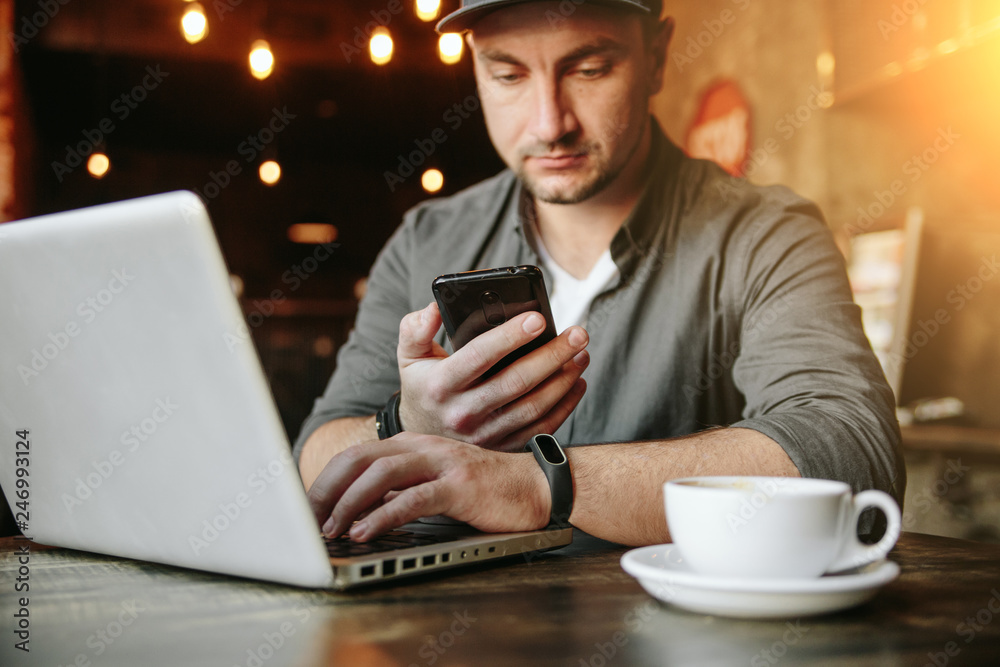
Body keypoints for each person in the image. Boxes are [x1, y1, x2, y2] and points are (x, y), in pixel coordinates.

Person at [294, 0, 905, 546]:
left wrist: (542, 483)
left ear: (658, 57)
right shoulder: (426, 239)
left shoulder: (765, 234)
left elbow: (849, 455)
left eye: (589, 70)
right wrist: (408, 423)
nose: (549, 123)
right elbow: (315, 455)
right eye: (508, 74)